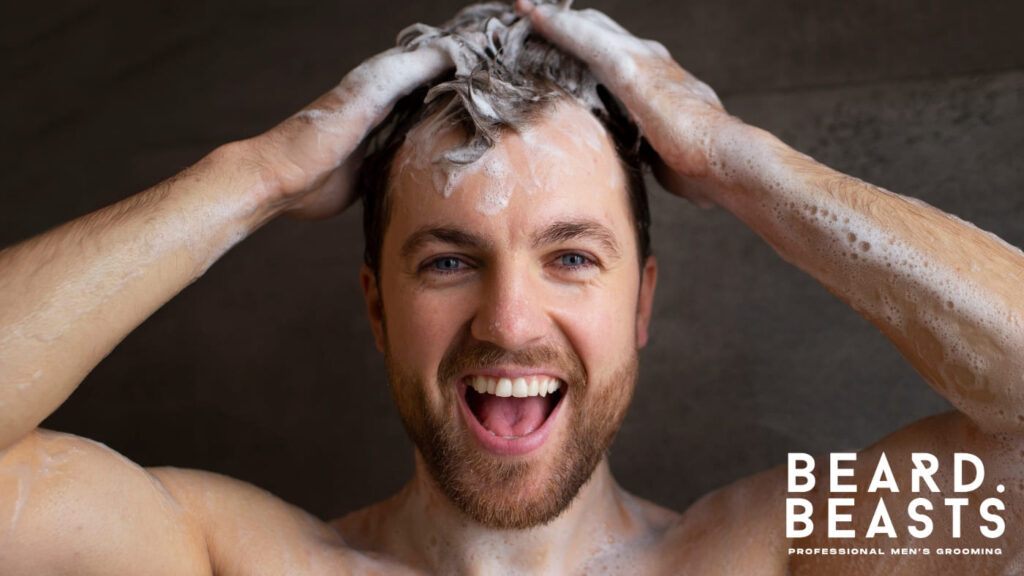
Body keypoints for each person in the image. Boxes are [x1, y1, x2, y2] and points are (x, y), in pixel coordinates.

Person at [1, 1, 1021, 574]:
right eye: (448, 260)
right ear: (374, 307)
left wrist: (737, 158)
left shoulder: (775, 549)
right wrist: (251, 177)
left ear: (641, 303)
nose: (511, 321)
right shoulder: (226, 556)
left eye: (571, 255)